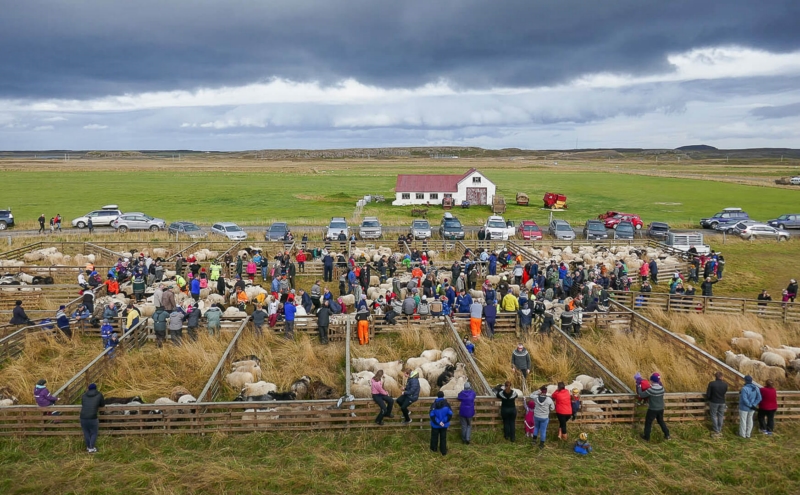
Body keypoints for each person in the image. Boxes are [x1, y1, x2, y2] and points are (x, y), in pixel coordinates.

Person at [637, 373, 670, 442]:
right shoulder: (662, 389)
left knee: (648, 422)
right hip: (661, 408)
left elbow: (641, 395)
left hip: (652, 409)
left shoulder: (651, 390)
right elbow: (661, 387)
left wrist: (639, 386)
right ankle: (667, 435)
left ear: (651, 381)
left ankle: (646, 437)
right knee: (661, 421)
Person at [80, 383, 105, 453]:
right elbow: (102, 404)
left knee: (86, 432)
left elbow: (83, 404)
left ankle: (88, 447)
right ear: (95, 388)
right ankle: (91, 447)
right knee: (94, 432)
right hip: (93, 417)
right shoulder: (99, 395)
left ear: (88, 388)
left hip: (83, 417)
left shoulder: (84, 395)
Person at [705, 371, 728, 437]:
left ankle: (716, 429)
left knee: (713, 415)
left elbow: (708, 394)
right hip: (722, 402)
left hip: (714, 401)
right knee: (721, 415)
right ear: (722, 377)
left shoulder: (712, 384)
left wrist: (708, 399)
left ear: (716, 377)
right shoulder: (725, 385)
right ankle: (719, 428)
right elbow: (724, 393)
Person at [429, 391, 453, 456]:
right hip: (444, 425)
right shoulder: (447, 404)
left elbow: (432, 415)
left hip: (435, 425)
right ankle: (443, 451)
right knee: (443, 437)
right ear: (443, 396)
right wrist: (443, 422)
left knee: (434, 437)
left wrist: (438, 422)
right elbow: (450, 414)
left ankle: (433, 449)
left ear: (437, 396)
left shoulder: (434, 404)